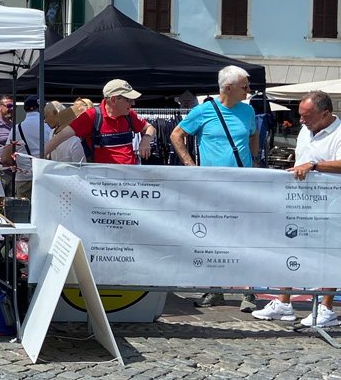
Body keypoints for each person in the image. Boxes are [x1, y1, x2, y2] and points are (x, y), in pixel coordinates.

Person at [170, 65, 259, 311]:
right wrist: (190, 165)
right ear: (228, 88)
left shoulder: (248, 111)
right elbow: (176, 135)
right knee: (214, 239)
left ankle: (249, 292)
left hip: (243, 186)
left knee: (245, 239)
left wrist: (253, 159)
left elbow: (253, 134)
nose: (248, 91)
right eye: (245, 87)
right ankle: (214, 289)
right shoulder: (203, 112)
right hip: (212, 188)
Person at [251, 91, 341, 327]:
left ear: (325, 114)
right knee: (288, 246)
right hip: (300, 200)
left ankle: (326, 307)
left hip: (331, 204)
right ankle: (283, 302)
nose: (301, 120)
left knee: (330, 252)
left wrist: (314, 165)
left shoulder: (339, 132)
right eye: (300, 115)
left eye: (306, 116)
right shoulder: (304, 130)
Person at [45, 79, 156, 164]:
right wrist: (40, 155)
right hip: (104, 185)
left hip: (130, 181)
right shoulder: (92, 116)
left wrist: (146, 139)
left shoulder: (129, 114)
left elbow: (150, 128)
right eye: (128, 99)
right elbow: (63, 135)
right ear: (113, 100)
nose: (133, 103)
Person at [0, 95, 51, 199]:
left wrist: (17, 163)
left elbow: (5, 158)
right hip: (44, 177)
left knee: (23, 212)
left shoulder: (16, 129)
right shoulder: (48, 127)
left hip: (23, 178)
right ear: (40, 108)